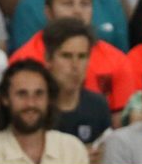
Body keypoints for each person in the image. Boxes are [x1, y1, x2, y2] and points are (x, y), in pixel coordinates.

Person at [10, 0, 136, 117]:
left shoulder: (117, 60)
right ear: (48, 13)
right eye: (67, 3)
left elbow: (123, 122)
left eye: (85, 4)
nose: (77, 11)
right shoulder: (23, 60)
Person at [0, 59, 89, 164]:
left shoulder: (73, 149)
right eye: (22, 94)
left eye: (39, 94)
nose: (31, 103)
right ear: (5, 98)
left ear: (48, 98)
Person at [43, 18, 112, 152]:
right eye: (66, 56)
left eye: (82, 56)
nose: (75, 66)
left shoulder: (98, 105)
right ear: (48, 59)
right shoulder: (35, 106)